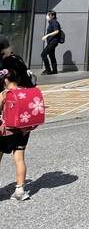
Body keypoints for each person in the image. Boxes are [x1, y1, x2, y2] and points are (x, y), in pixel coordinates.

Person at [0, 61, 36, 200]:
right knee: (19, 159)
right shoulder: (25, 92)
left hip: (5, 132)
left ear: (5, 80)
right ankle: (20, 190)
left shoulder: (4, 94)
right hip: (23, 131)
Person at [40, 10, 61, 75]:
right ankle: (54, 70)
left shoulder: (54, 22)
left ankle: (48, 70)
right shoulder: (51, 22)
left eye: (48, 15)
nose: (47, 16)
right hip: (51, 42)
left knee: (43, 54)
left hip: (53, 42)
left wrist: (47, 35)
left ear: (52, 16)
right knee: (51, 55)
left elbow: (57, 31)